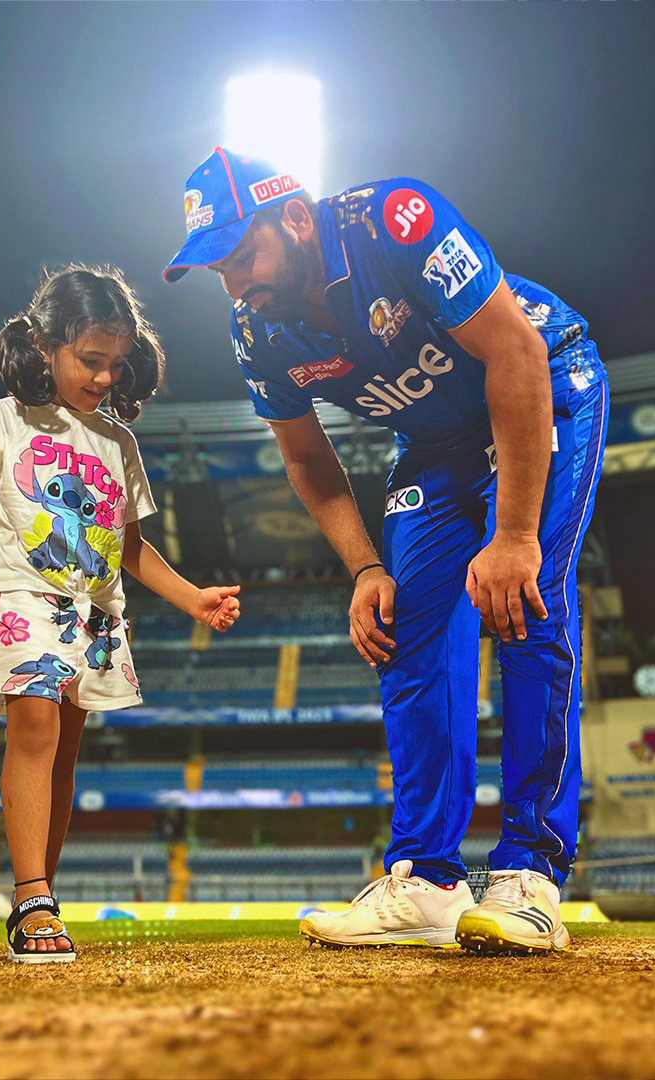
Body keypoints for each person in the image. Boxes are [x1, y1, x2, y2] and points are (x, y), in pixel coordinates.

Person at [164, 149, 608, 954]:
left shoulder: (398, 219)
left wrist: (511, 536)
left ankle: (529, 875)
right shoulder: (254, 329)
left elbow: (515, 354)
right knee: (403, 626)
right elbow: (306, 459)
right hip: (436, 443)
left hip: (545, 381)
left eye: (242, 257)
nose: (235, 284)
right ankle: (426, 882)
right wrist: (367, 566)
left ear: (296, 217)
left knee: (526, 601)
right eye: (218, 269)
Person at [0, 265, 241, 963]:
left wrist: (194, 598)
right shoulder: (0, 420)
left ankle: (41, 894)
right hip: (16, 593)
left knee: (61, 751)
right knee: (33, 721)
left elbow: (132, 549)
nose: (102, 379)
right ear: (44, 346)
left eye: (115, 366)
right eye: (90, 361)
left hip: (90, 614)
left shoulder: (119, 444)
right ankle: (31, 898)